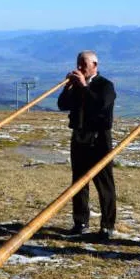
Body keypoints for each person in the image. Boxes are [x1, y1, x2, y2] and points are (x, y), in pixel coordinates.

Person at [57, 50, 117, 241]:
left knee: (104, 184)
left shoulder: (105, 86)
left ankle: (107, 225)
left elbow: (99, 105)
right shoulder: (76, 85)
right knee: (79, 182)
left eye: (84, 64)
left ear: (95, 65)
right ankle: (80, 221)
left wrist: (83, 86)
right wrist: (67, 87)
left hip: (99, 139)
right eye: (78, 64)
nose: (80, 68)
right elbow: (62, 104)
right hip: (80, 137)